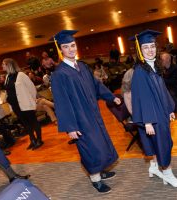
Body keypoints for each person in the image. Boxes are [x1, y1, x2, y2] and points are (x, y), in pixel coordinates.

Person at [50, 30, 121, 194]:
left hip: (94, 114)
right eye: (66, 47)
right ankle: (95, 180)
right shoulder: (59, 74)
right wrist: (70, 127)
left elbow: (96, 85)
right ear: (61, 50)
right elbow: (62, 103)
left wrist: (111, 97)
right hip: (80, 119)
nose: (71, 49)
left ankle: (101, 170)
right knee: (90, 148)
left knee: (101, 142)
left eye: (72, 45)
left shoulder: (82, 66)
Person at [130, 29, 177, 188]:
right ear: (140, 50)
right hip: (152, 116)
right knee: (163, 144)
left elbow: (162, 90)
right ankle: (167, 174)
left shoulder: (154, 66)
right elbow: (142, 97)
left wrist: (169, 109)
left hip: (160, 112)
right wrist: (147, 121)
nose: (150, 50)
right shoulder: (140, 71)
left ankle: (154, 167)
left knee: (156, 143)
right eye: (145, 47)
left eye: (152, 46)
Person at [3, 58, 43, 150]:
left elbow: (32, 88)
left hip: (25, 104)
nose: (2, 66)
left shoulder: (21, 75)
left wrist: (31, 100)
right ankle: (32, 140)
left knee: (33, 122)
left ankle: (39, 140)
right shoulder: (7, 77)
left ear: (9, 65)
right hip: (16, 106)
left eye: (3, 64)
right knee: (26, 124)